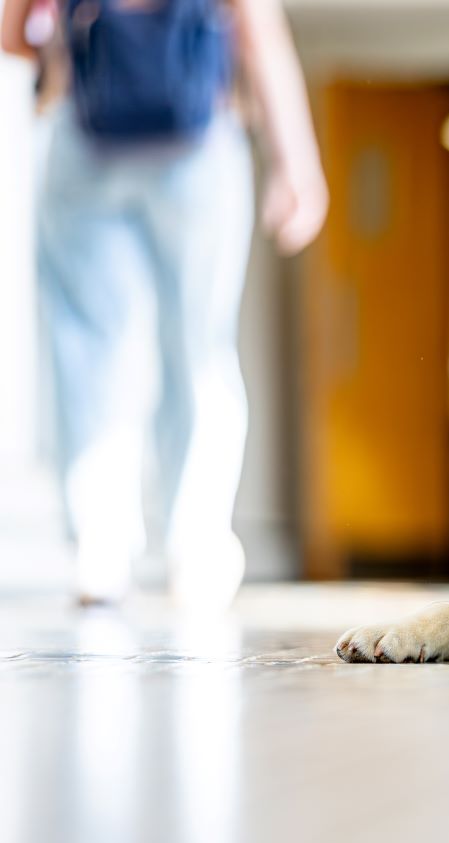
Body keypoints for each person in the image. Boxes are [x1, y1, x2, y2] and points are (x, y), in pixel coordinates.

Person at [1, 0, 328, 607]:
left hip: (86, 134)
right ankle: (195, 547)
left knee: (87, 345)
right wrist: (296, 164)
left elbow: (14, 35)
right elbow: (260, 37)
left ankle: (99, 546)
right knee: (199, 346)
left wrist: (70, 47)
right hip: (198, 141)